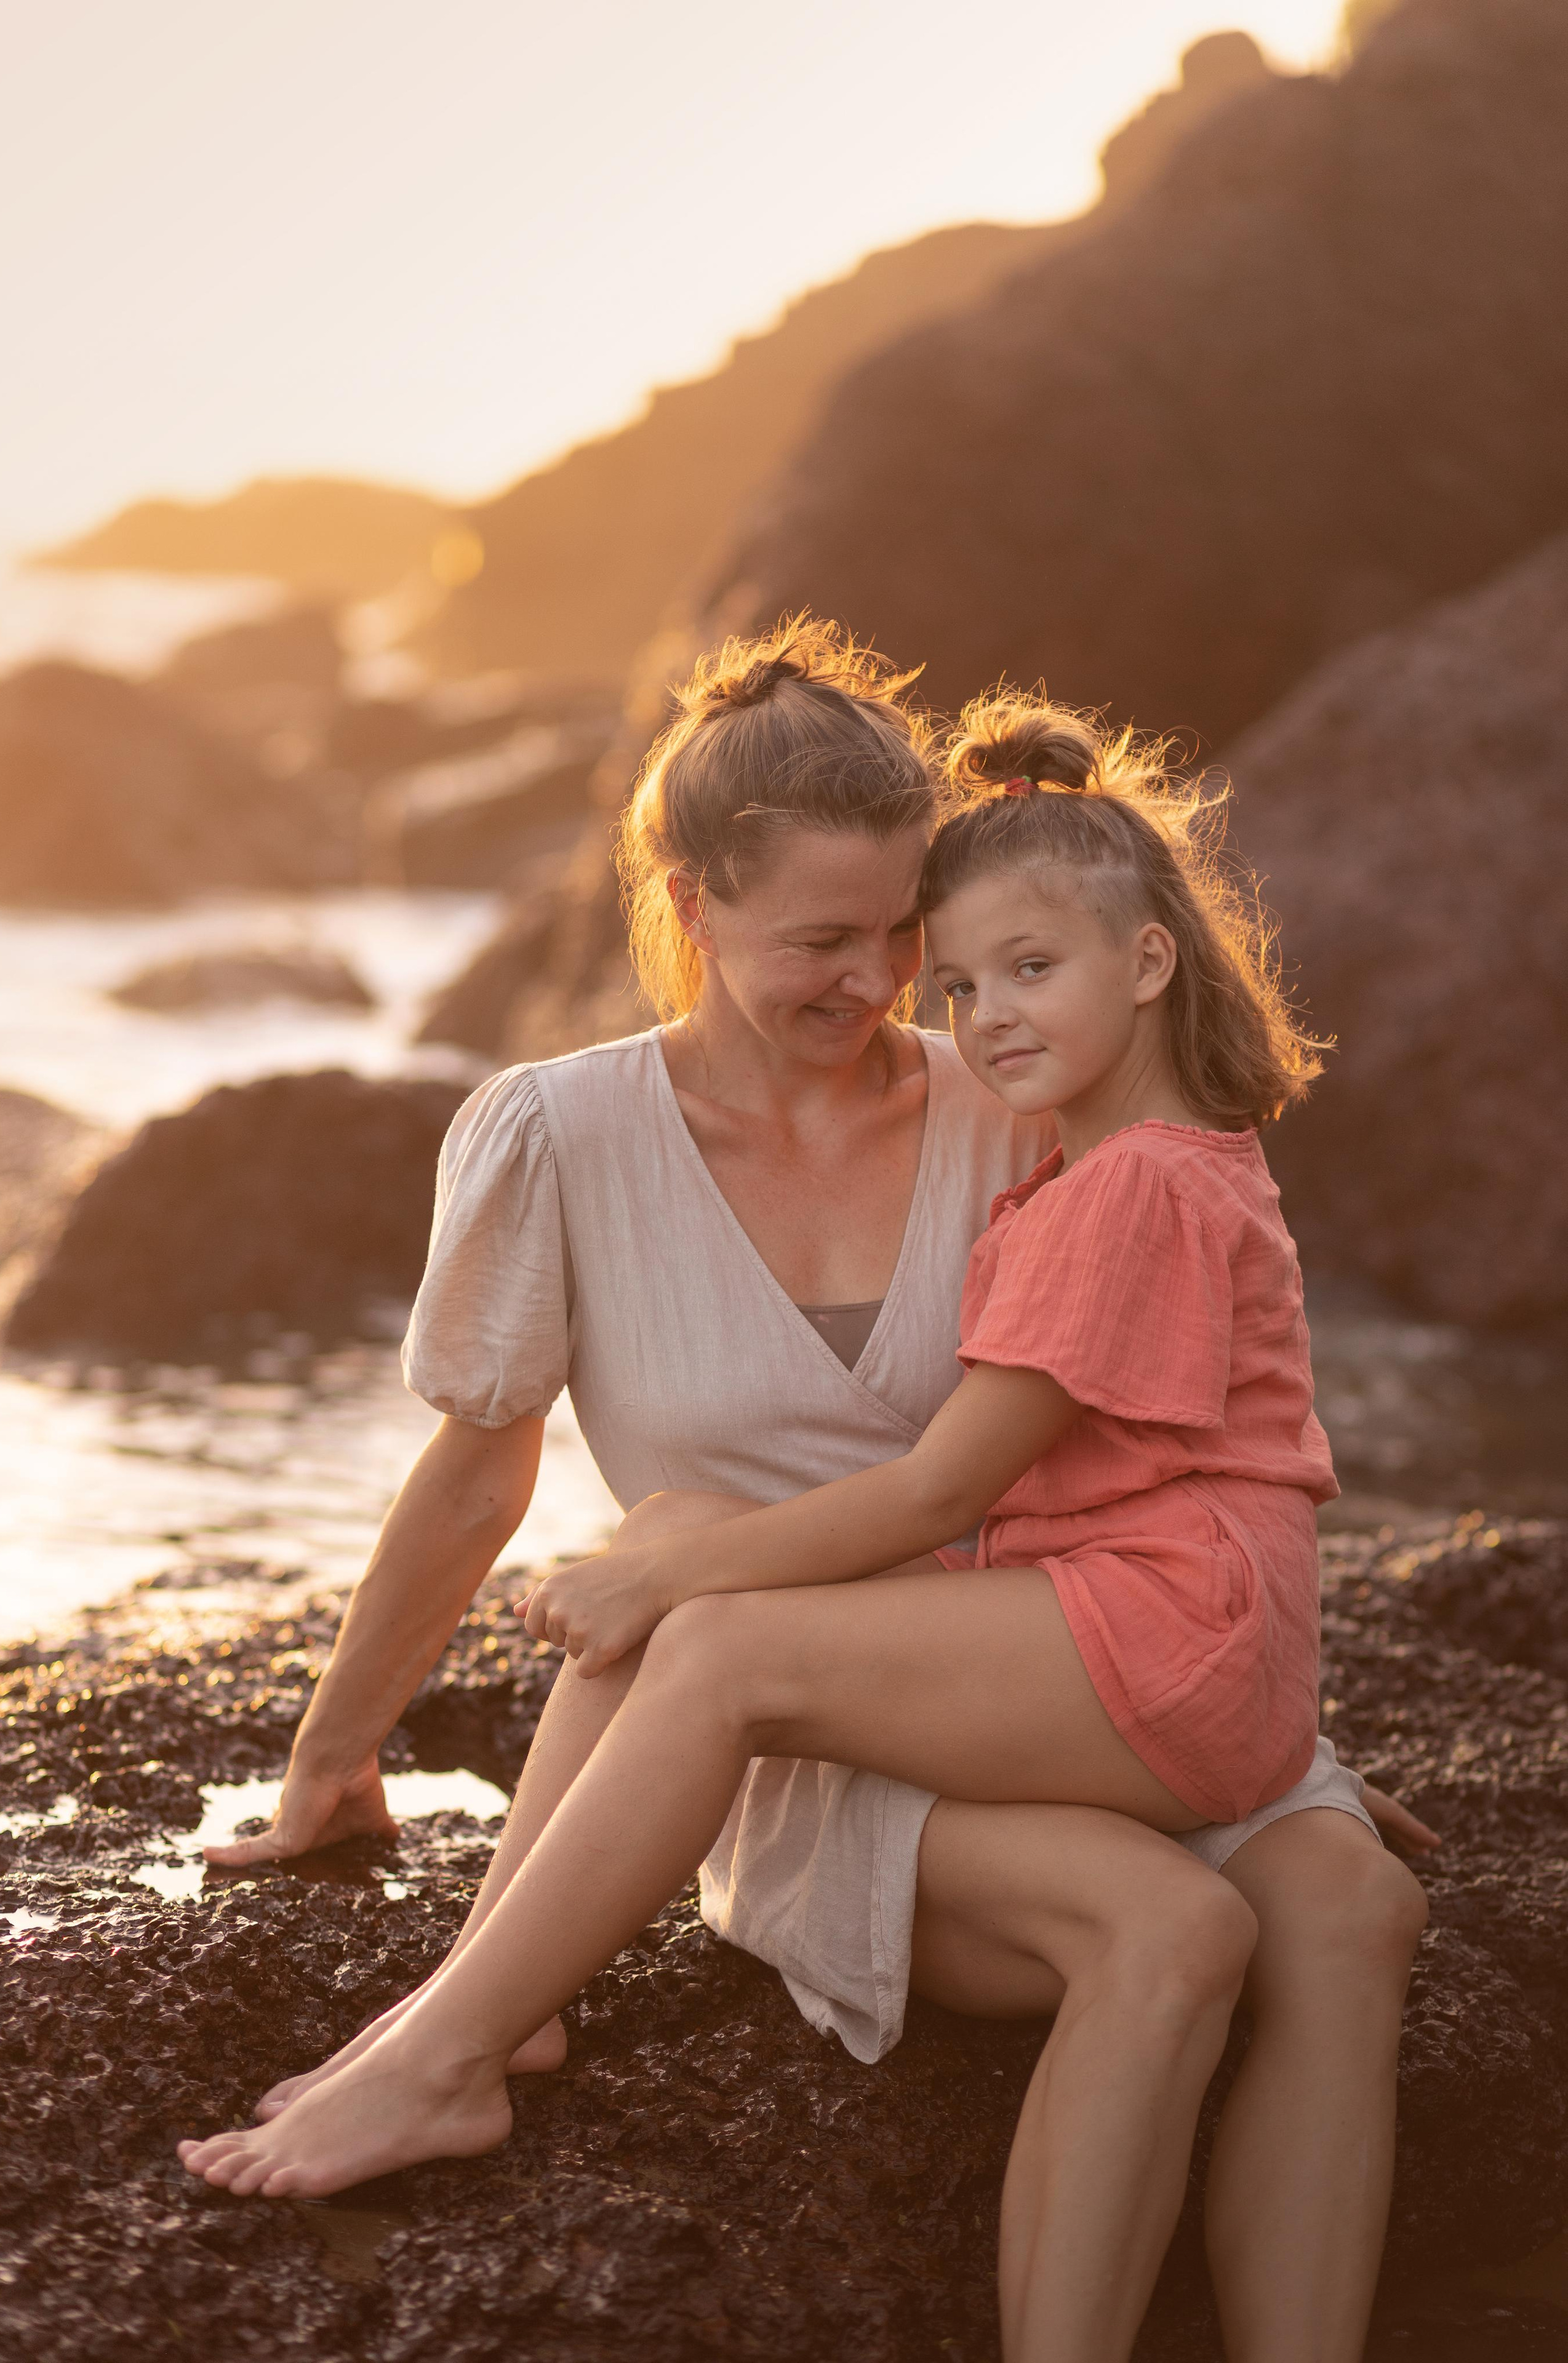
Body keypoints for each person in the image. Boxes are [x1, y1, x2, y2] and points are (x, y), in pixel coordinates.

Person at [184, 625, 1432, 2362]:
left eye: (904, 938)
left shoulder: (1017, 1095)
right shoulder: (562, 1135)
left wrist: (1260, 1716)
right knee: (1124, 1895)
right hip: (799, 1729)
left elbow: (1148, 1446)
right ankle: (455, 2038)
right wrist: (335, 1758)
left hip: (1046, 1670)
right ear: (690, 906)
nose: (889, 985)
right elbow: (479, 1479)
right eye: (823, 943)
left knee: (1351, 1905)